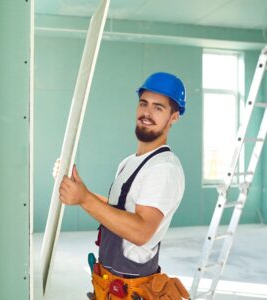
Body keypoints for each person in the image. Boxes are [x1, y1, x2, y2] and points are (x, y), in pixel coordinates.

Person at [58, 72, 189, 300]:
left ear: (174, 117)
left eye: (158, 108)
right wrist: (80, 190)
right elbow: (119, 211)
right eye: (143, 104)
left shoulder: (164, 168)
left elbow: (141, 231)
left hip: (133, 290)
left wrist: (84, 199)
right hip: (109, 286)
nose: (147, 113)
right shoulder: (128, 163)